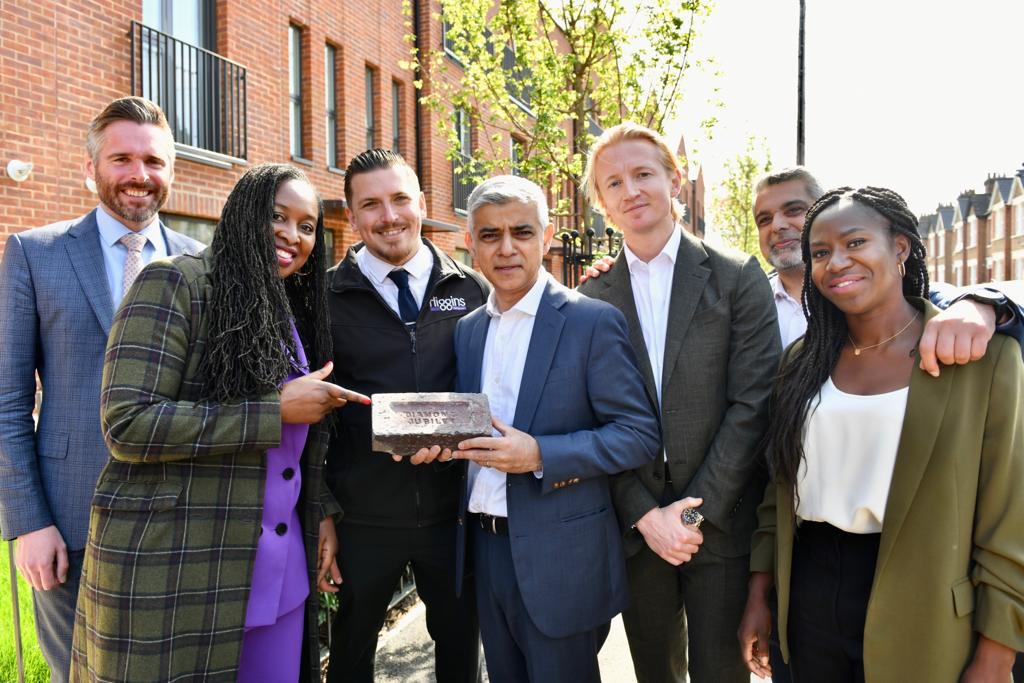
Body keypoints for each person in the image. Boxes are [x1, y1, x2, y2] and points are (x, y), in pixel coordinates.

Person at [70, 163, 362, 682]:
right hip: (188, 571)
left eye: (307, 226)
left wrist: (322, 516)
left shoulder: (289, 310)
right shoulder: (174, 283)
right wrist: (272, 410)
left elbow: (293, 450)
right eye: (277, 215)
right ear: (243, 212)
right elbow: (128, 424)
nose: (291, 235)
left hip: (283, 572)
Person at [739, 186, 1024, 681]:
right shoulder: (801, 363)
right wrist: (759, 595)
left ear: (899, 247)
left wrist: (998, 652)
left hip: (928, 597)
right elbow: (778, 489)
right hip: (810, 588)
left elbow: (1010, 513)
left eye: (855, 243)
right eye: (821, 253)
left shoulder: (981, 357)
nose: (837, 262)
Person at [411, 174, 662, 681]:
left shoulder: (592, 322)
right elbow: (474, 428)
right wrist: (438, 446)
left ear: (546, 238)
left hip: (561, 560)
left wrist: (541, 455)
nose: (506, 249)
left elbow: (639, 434)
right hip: (484, 551)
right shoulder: (468, 330)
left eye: (522, 233)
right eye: (490, 235)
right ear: (470, 244)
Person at [0, 96, 203, 683]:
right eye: (122, 159)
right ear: (90, 168)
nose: (140, 175)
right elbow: (9, 400)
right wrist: (28, 523)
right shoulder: (35, 254)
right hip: (69, 522)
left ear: (172, 171)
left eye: (154, 161)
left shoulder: (200, 263)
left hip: (179, 520)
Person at [577, 122, 781, 682]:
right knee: (654, 672)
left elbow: (753, 403)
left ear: (674, 178)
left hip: (718, 523)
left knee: (721, 671)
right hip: (637, 531)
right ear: (602, 202)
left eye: (643, 173)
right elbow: (590, 420)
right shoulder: (589, 298)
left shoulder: (737, 276)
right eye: (613, 182)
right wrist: (645, 515)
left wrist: (689, 515)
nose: (631, 190)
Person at [324, 149, 486, 683]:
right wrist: (322, 509)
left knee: (461, 645)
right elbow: (311, 416)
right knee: (349, 654)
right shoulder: (323, 297)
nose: (388, 216)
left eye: (399, 199)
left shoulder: (472, 291)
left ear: (421, 202)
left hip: (453, 514)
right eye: (370, 204)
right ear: (351, 216)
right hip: (362, 518)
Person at [753, 166, 1024, 361]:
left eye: (794, 210)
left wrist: (982, 304)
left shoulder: (921, 301)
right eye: (764, 219)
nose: (777, 225)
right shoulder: (747, 302)